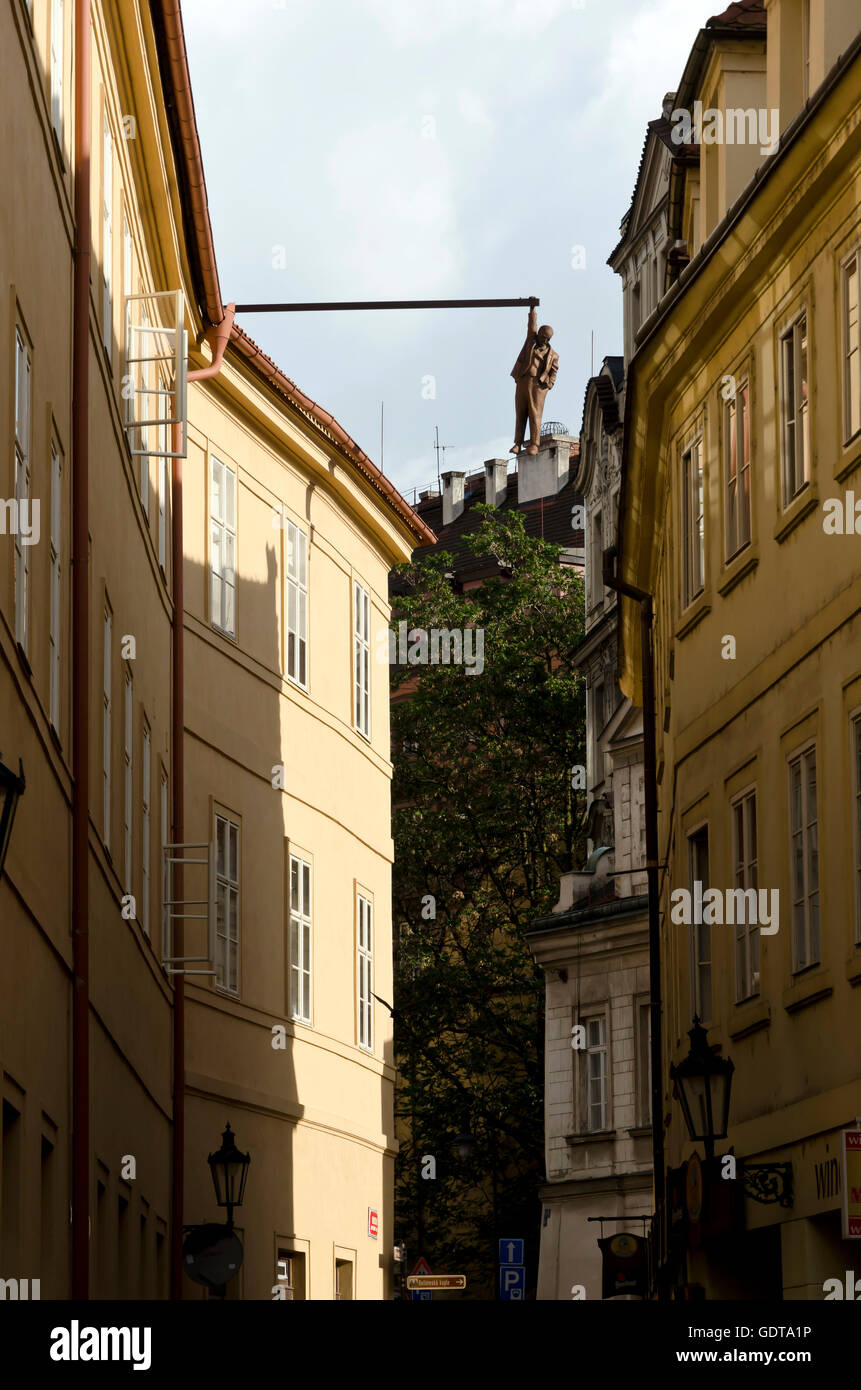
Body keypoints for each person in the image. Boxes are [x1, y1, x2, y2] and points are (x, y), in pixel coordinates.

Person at [510, 305, 558, 455]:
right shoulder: (530, 341)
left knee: (535, 413)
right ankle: (517, 443)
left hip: (538, 386)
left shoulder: (553, 355)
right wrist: (532, 310)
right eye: (542, 335)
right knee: (520, 412)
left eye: (546, 338)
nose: (543, 339)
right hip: (524, 380)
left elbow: (554, 371)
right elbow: (532, 325)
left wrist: (548, 384)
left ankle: (534, 444)